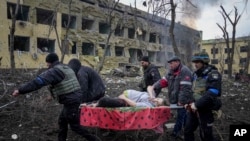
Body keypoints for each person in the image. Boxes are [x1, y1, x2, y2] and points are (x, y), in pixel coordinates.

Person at [11, 53, 101, 141]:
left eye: (47, 64)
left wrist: (20, 90)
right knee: (62, 121)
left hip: (71, 101)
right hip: (72, 100)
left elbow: (38, 82)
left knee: (75, 126)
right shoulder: (66, 68)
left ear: (50, 63)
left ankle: (95, 139)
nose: (47, 66)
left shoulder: (55, 71)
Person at [149, 56, 193, 139]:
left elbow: (185, 88)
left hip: (184, 100)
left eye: (171, 63)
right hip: (175, 99)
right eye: (169, 64)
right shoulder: (171, 72)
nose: (170, 65)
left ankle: (176, 133)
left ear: (177, 62)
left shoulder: (185, 71)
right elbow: (163, 81)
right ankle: (185, 130)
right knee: (183, 116)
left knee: (181, 116)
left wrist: (181, 101)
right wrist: (154, 86)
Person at [184, 51, 222, 141]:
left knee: (206, 135)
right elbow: (192, 91)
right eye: (194, 62)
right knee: (187, 130)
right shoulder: (195, 74)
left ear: (204, 62)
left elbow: (212, 92)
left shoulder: (213, 74)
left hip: (206, 110)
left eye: (197, 62)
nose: (195, 64)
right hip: (193, 109)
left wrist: (197, 105)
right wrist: (188, 102)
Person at [82, 86, 166, 108]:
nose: (156, 100)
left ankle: (89, 105)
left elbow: (135, 105)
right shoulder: (152, 96)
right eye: (158, 99)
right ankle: (89, 104)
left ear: (157, 106)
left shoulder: (149, 105)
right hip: (125, 95)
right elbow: (149, 87)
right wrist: (152, 95)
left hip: (125, 101)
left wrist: (124, 98)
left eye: (157, 102)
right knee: (106, 100)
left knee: (105, 100)